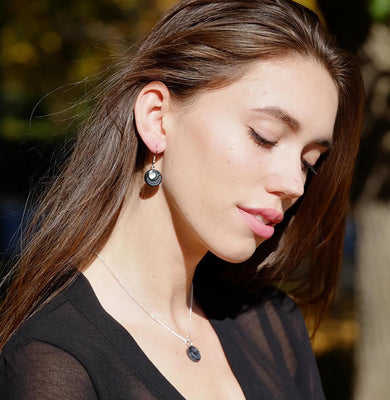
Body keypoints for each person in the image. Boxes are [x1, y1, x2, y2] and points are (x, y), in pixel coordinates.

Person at [0, 0, 364, 398]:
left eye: (310, 162)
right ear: (157, 118)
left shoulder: (272, 326)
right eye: (265, 136)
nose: (294, 183)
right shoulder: (53, 361)